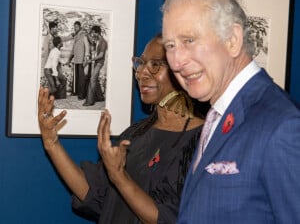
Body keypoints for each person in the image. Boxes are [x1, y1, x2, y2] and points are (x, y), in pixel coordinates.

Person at [161, 0, 300, 223]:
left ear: (233, 40)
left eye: (189, 40)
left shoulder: (283, 126)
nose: (176, 61)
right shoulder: (219, 113)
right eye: (170, 46)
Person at [38, 33, 205, 224]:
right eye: (140, 63)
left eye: (155, 65)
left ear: (183, 71)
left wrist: (119, 177)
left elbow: (170, 219)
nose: (141, 73)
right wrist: (51, 143)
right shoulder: (135, 134)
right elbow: (96, 195)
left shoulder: (201, 142)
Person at [83, 25, 107, 106]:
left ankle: (89, 101)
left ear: (97, 33)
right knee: (95, 79)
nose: (92, 34)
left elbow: (101, 55)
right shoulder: (98, 40)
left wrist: (90, 60)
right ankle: (100, 98)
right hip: (97, 62)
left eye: (93, 33)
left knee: (92, 79)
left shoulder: (103, 42)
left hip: (99, 62)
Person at [68, 21, 90, 100]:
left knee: (81, 78)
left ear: (80, 27)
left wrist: (86, 58)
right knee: (76, 78)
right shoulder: (76, 37)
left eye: (76, 27)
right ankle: (76, 92)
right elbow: (73, 50)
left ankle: (81, 95)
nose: (75, 28)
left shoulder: (84, 35)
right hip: (76, 60)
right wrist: (69, 59)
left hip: (81, 60)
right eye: (74, 27)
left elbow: (87, 47)